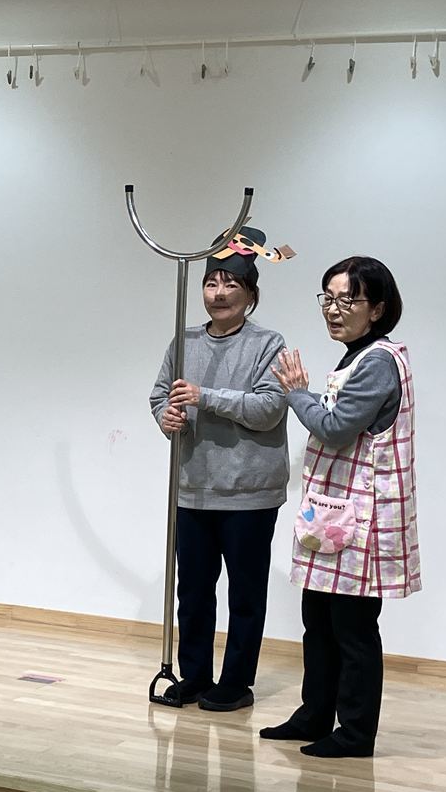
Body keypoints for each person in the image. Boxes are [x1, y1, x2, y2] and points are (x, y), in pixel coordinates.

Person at [264, 255, 420, 758]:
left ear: (377, 308)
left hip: (361, 520)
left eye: (347, 300)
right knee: (319, 621)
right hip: (334, 515)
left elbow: (334, 428)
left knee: (352, 630)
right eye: (328, 299)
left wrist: (296, 393)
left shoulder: (377, 361)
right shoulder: (356, 356)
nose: (333, 309)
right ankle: (315, 714)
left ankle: (355, 733)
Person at [149, 227, 290, 712]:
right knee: (192, 591)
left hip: (250, 492)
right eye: (211, 283)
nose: (219, 293)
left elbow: (269, 408)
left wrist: (205, 397)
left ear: (251, 293)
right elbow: (160, 394)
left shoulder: (268, 343)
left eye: (231, 284)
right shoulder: (184, 340)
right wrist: (165, 416)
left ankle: (235, 682)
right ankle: (194, 676)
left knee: (245, 595)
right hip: (192, 487)